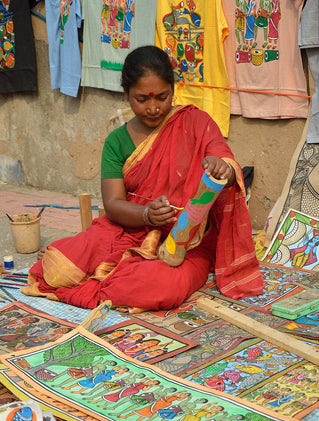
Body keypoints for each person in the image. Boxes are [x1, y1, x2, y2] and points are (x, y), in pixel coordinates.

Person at [22, 46, 263, 311]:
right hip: (126, 229)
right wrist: (147, 214)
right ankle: (108, 282)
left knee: (158, 286)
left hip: (185, 243)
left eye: (162, 97)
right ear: (126, 95)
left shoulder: (195, 122)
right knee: (58, 266)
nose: (153, 108)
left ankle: (105, 286)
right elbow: (113, 204)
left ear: (173, 89)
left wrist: (223, 169)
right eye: (141, 99)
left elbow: (226, 165)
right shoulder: (117, 141)